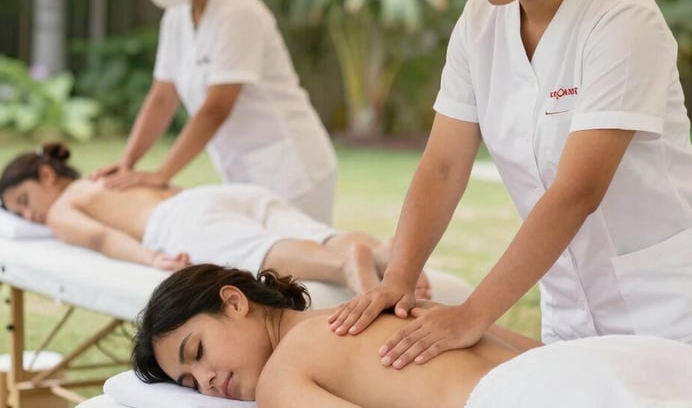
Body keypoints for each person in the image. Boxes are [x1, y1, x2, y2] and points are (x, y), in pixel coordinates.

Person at [328, 0, 692, 374]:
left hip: (673, 308)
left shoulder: (620, 19)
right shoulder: (477, 26)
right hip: (571, 310)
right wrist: (398, 279)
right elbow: (443, 166)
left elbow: (578, 191)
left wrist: (473, 315)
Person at [131, 264, 692, 408]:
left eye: (197, 353)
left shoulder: (280, 378)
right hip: (610, 362)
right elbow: (515, 344)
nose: (207, 382)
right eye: (190, 383)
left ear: (235, 302)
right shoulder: (376, 305)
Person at [90, 0, 337, 224]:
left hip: (293, 168)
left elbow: (217, 107)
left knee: (299, 266)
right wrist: (127, 164)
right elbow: (162, 96)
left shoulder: (237, 11)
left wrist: (161, 174)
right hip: (245, 167)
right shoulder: (176, 17)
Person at [0, 143, 430, 295]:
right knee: (316, 232)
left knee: (258, 253)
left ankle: (345, 265)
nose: (30, 215)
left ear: (45, 174)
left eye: (23, 200)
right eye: (19, 214)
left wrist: (151, 258)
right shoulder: (106, 179)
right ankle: (379, 251)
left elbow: (97, 239)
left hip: (177, 219)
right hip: (221, 194)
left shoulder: (61, 208)